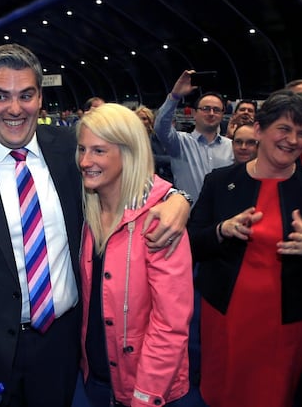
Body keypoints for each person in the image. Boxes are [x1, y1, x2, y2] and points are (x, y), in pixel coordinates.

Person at [0, 44, 190, 407]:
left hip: (62, 346)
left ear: (40, 98)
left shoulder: (71, 151)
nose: (14, 109)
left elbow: (129, 177)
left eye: (26, 95)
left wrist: (178, 198)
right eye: (1, 96)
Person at [187, 89, 302, 407]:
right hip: (226, 313)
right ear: (259, 130)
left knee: (273, 394)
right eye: (284, 129)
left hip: (288, 318)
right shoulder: (220, 182)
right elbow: (191, 242)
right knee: (224, 391)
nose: (293, 140)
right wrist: (221, 231)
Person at [77, 103, 193, 407]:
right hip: (97, 381)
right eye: (81, 149)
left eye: (98, 151)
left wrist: (144, 396)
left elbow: (171, 324)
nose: (85, 161)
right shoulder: (86, 210)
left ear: (128, 153)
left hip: (146, 389)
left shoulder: (160, 220)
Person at [154, 70, 234, 203]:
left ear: (222, 115)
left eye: (217, 110)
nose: (211, 113)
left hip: (222, 220)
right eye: (206, 109)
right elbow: (160, 127)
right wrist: (175, 96)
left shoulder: (231, 146)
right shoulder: (180, 143)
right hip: (188, 218)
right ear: (194, 114)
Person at [135, 105, 173, 184]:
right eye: (138, 119)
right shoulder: (132, 138)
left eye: (144, 119)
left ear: (150, 120)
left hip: (161, 177)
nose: (141, 121)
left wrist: (172, 160)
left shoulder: (157, 136)